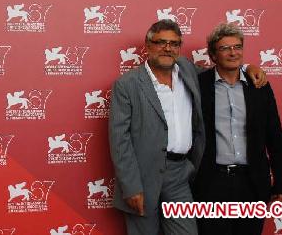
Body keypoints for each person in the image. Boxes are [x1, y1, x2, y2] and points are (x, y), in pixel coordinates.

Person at [109, 20, 267, 235]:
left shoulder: (187, 70)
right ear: (148, 45)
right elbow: (120, 141)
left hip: (179, 174)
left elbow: (221, 69)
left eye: (174, 43)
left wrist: (247, 67)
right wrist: (131, 186)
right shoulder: (127, 84)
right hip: (143, 176)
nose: (168, 48)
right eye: (161, 42)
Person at [192, 23, 282, 235]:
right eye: (225, 48)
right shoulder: (198, 85)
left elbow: (274, 136)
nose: (233, 52)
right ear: (213, 55)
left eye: (237, 47)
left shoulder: (259, 85)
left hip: (252, 182)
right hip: (211, 183)